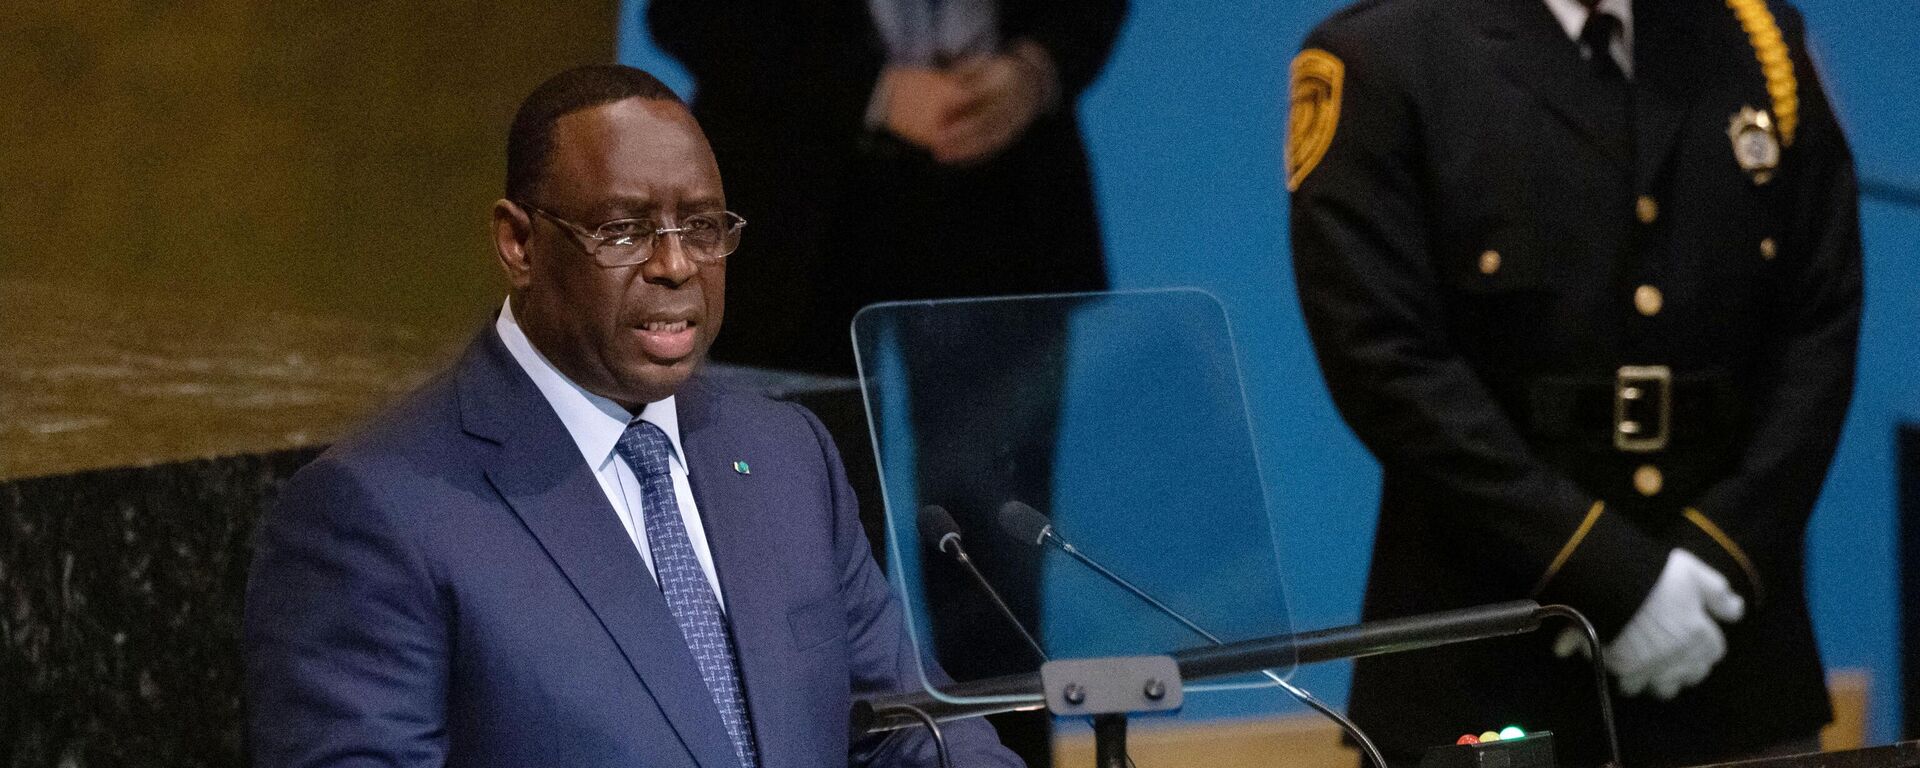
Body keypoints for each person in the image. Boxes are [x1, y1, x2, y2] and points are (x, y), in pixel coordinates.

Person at [244, 65, 1022, 768]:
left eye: (705, 226)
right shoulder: (377, 511)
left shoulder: (785, 454)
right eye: (622, 230)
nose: (676, 264)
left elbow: (910, 729)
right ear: (518, 243)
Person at [1287, 0, 1860, 765]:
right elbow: (1383, 360)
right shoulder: (1382, 53)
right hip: (1492, 657)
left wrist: (1723, 555)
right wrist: (1609, 574)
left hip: (1729, 649)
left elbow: (1820, 318)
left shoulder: (1760, 41)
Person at [647, 0, 1122, 375]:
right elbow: (689, 13)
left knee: (997, 489)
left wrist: (1036, 69)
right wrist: (873, 91)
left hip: (1008, 202)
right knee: (792, 471)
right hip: (796, 209)